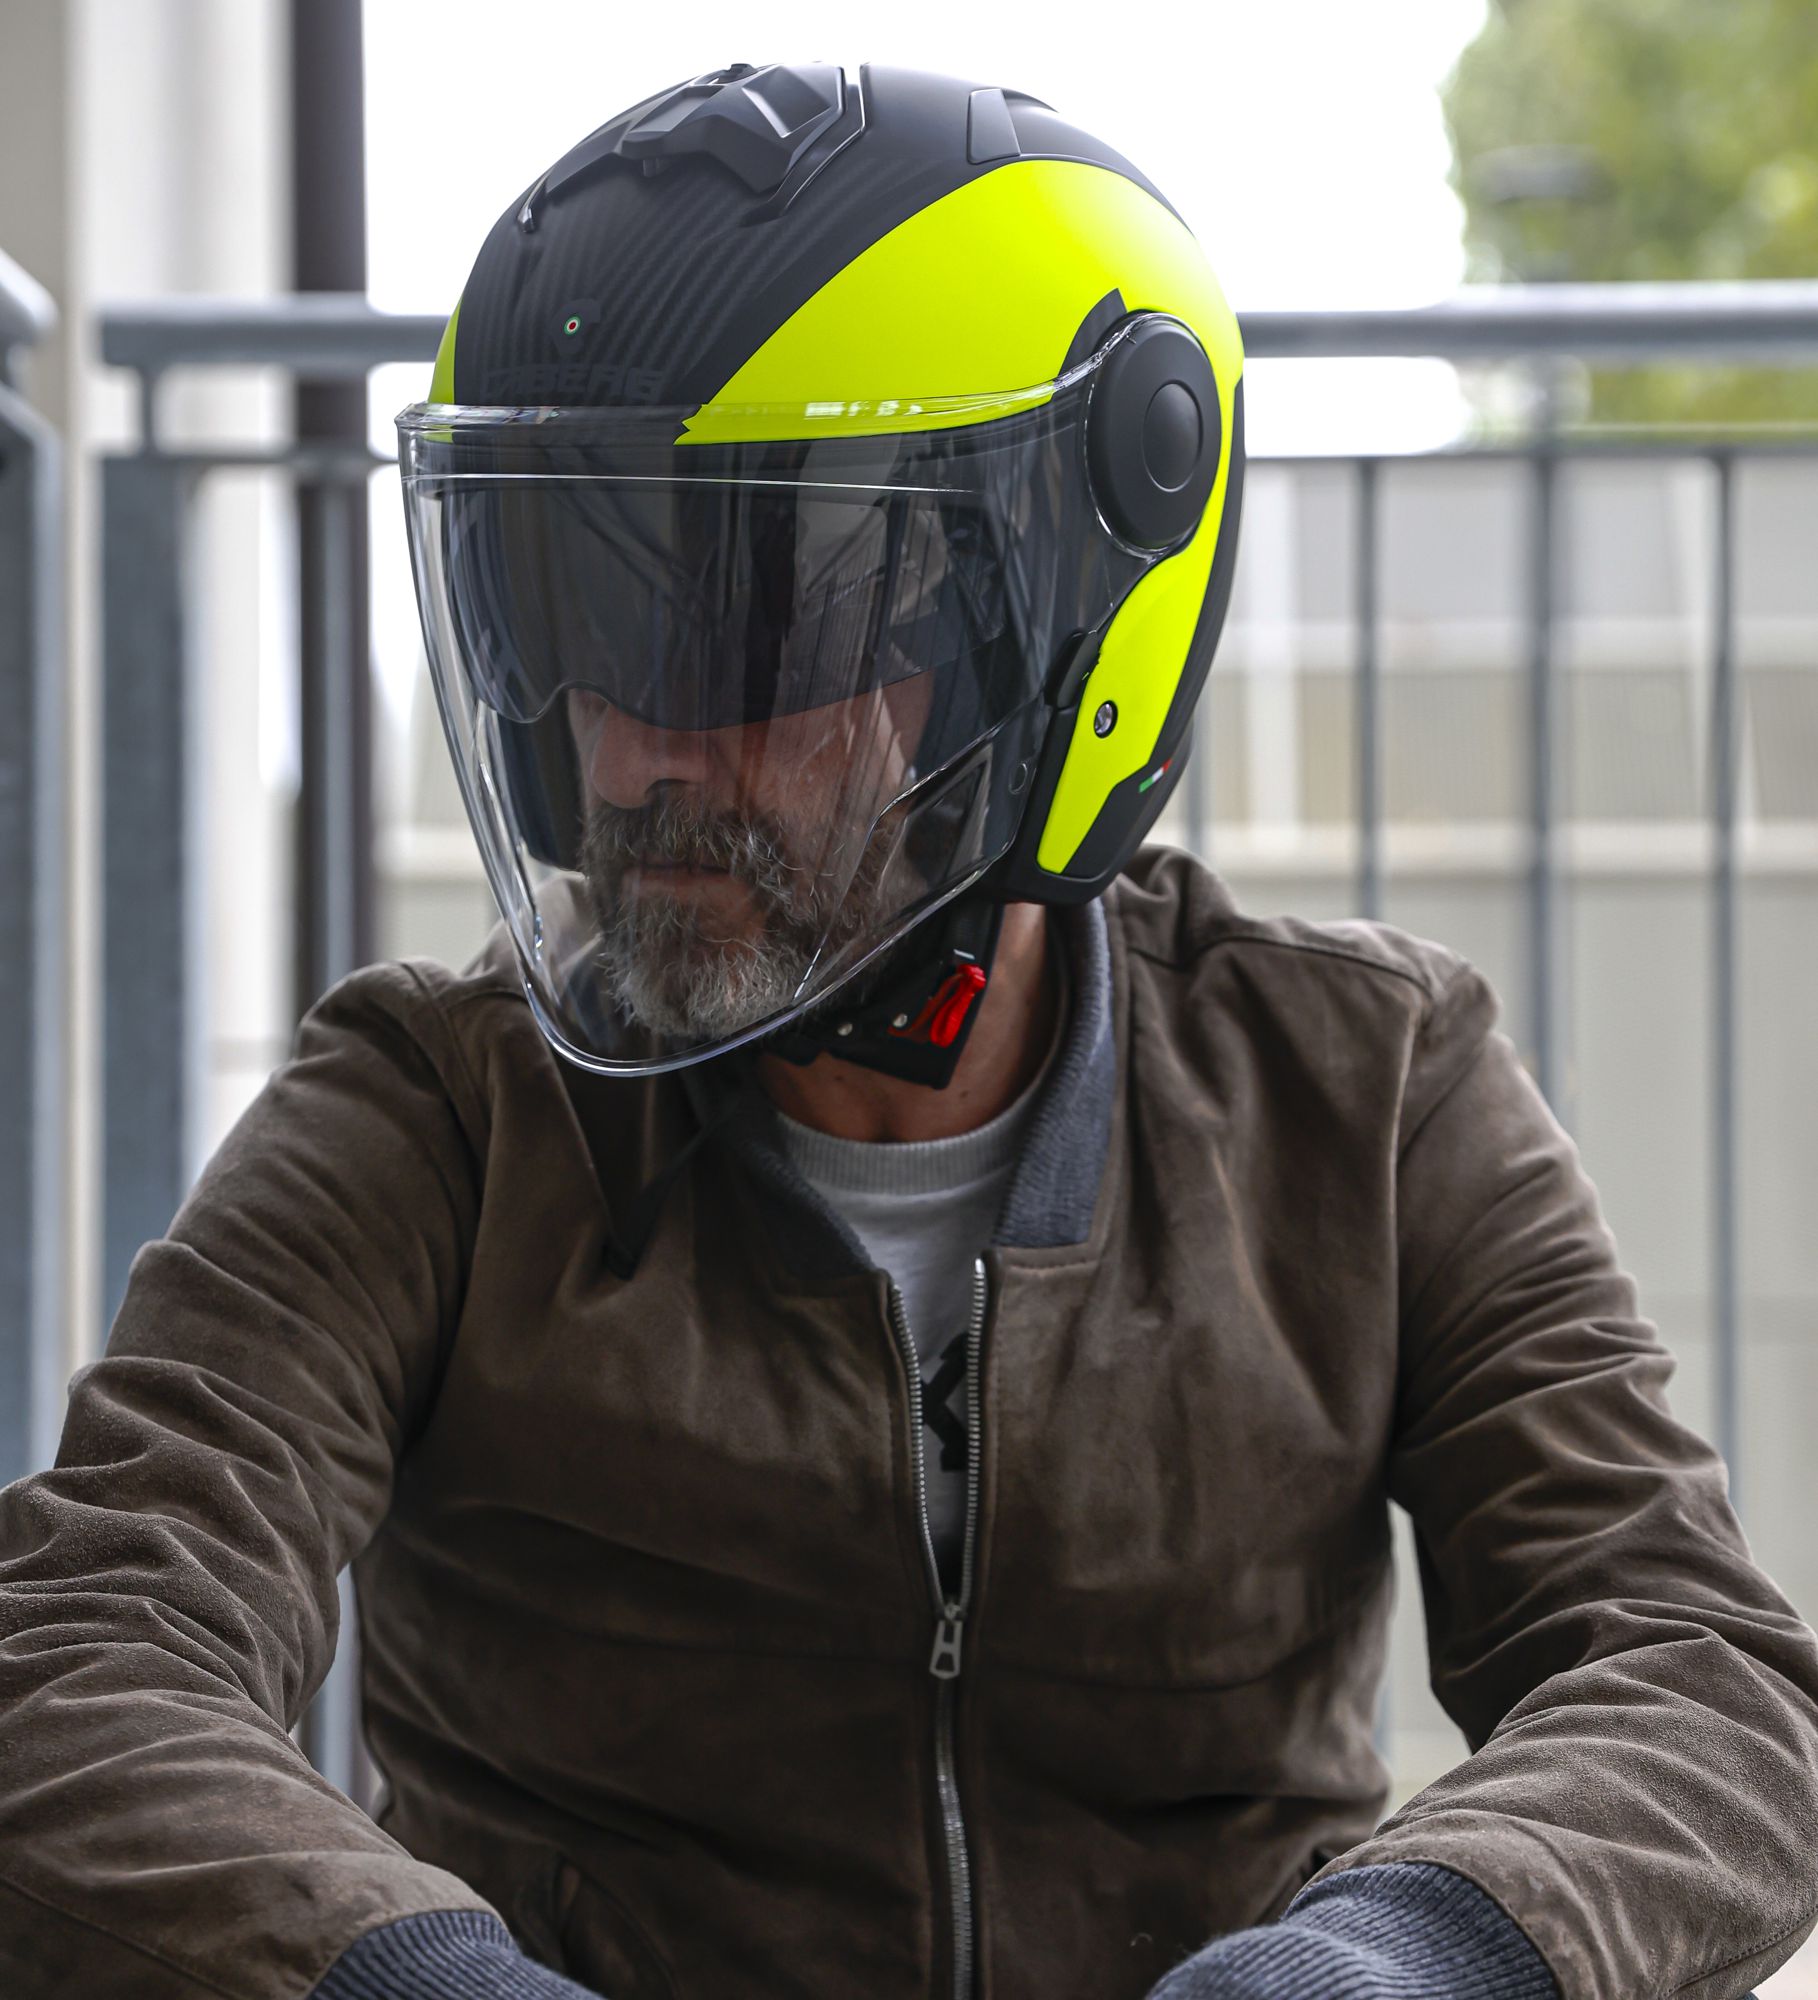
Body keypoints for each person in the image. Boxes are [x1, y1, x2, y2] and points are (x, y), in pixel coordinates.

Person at [1, 59, 1814, 2000]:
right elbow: (77, 1655)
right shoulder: (438, 1112)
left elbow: (1698, 1676)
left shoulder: (1368, 1089)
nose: (630, 748)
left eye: (744, 632)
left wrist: (1393, 1962)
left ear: (1047, 635)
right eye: (569, 619)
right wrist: (417, 1980)